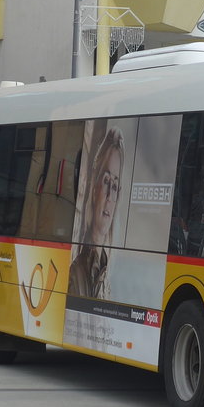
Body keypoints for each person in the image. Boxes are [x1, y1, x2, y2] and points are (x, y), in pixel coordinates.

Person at [69, 123, 125, 300]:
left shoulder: (107, 275)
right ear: (94, 186)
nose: (109, 196)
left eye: (115, 186)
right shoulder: (76, 272)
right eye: (107, 181)